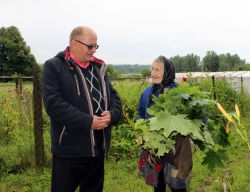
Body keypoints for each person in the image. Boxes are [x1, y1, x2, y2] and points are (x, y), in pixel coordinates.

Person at [42, 26, 122, 192]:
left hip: (97, 148)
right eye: (90, 46)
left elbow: (113, 97)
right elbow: (54, 104)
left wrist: (112, 115)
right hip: (69, 150)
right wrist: (88, 122)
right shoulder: (54, 67)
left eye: (95, 46)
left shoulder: (98, 68)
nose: (93, 50)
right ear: (74, 44)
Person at [138, 56, 192, 192]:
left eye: (157, 70)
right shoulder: (146, 93)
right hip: (153, 148)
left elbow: (190, 118)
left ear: (167, 72)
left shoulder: (178, 93)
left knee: (177, 184)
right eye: (152, 69)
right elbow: (141, 115)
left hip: (174, 149)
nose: (153, 73)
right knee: (157, 184)